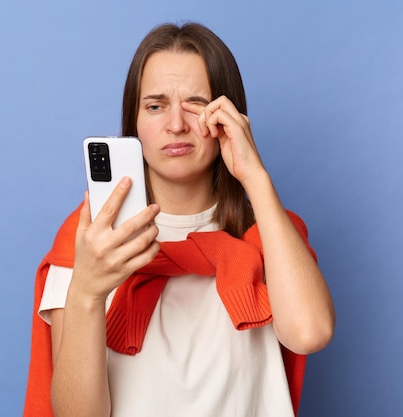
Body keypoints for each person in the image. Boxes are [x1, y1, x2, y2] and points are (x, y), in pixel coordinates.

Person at [23, 22, 335, 417]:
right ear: (133, 121)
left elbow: (310, 334)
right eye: (155, 106)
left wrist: (255, 176)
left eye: (195, 105)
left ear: (227, 117)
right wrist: (87, 291)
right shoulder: (92, 239)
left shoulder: (270, 231)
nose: (176, 125)